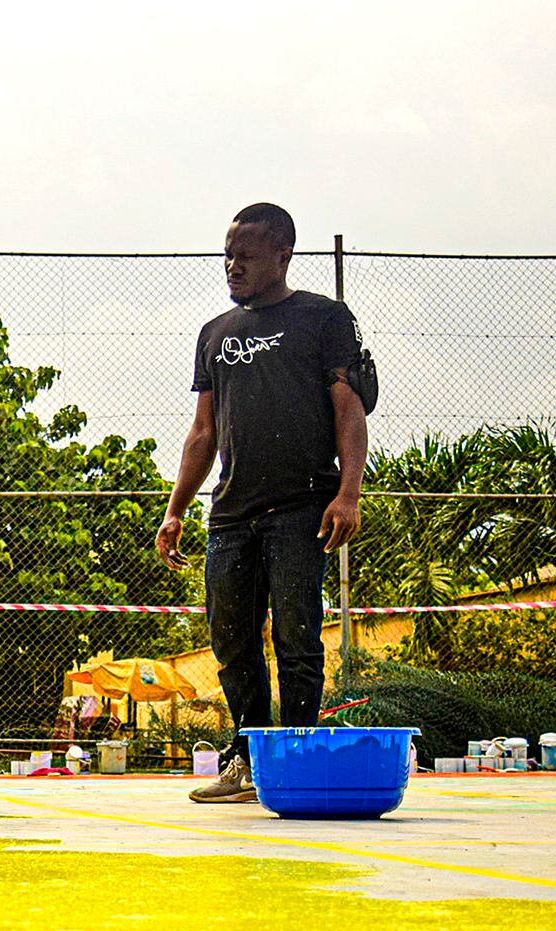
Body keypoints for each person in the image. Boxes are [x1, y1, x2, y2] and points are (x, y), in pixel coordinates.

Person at [157, 203, 367, 803]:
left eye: (245, 256)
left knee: (297, 637)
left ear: (282, 255)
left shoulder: (322, 319)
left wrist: (347, 493)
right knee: (230, 640)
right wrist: (175, 509)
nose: (232, 266)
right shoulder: (215, 334)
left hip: (302, 505)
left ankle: (294, 760)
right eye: (228, 256)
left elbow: (348, 409)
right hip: (230, 513)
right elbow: (203, 432)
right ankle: (248, 760)